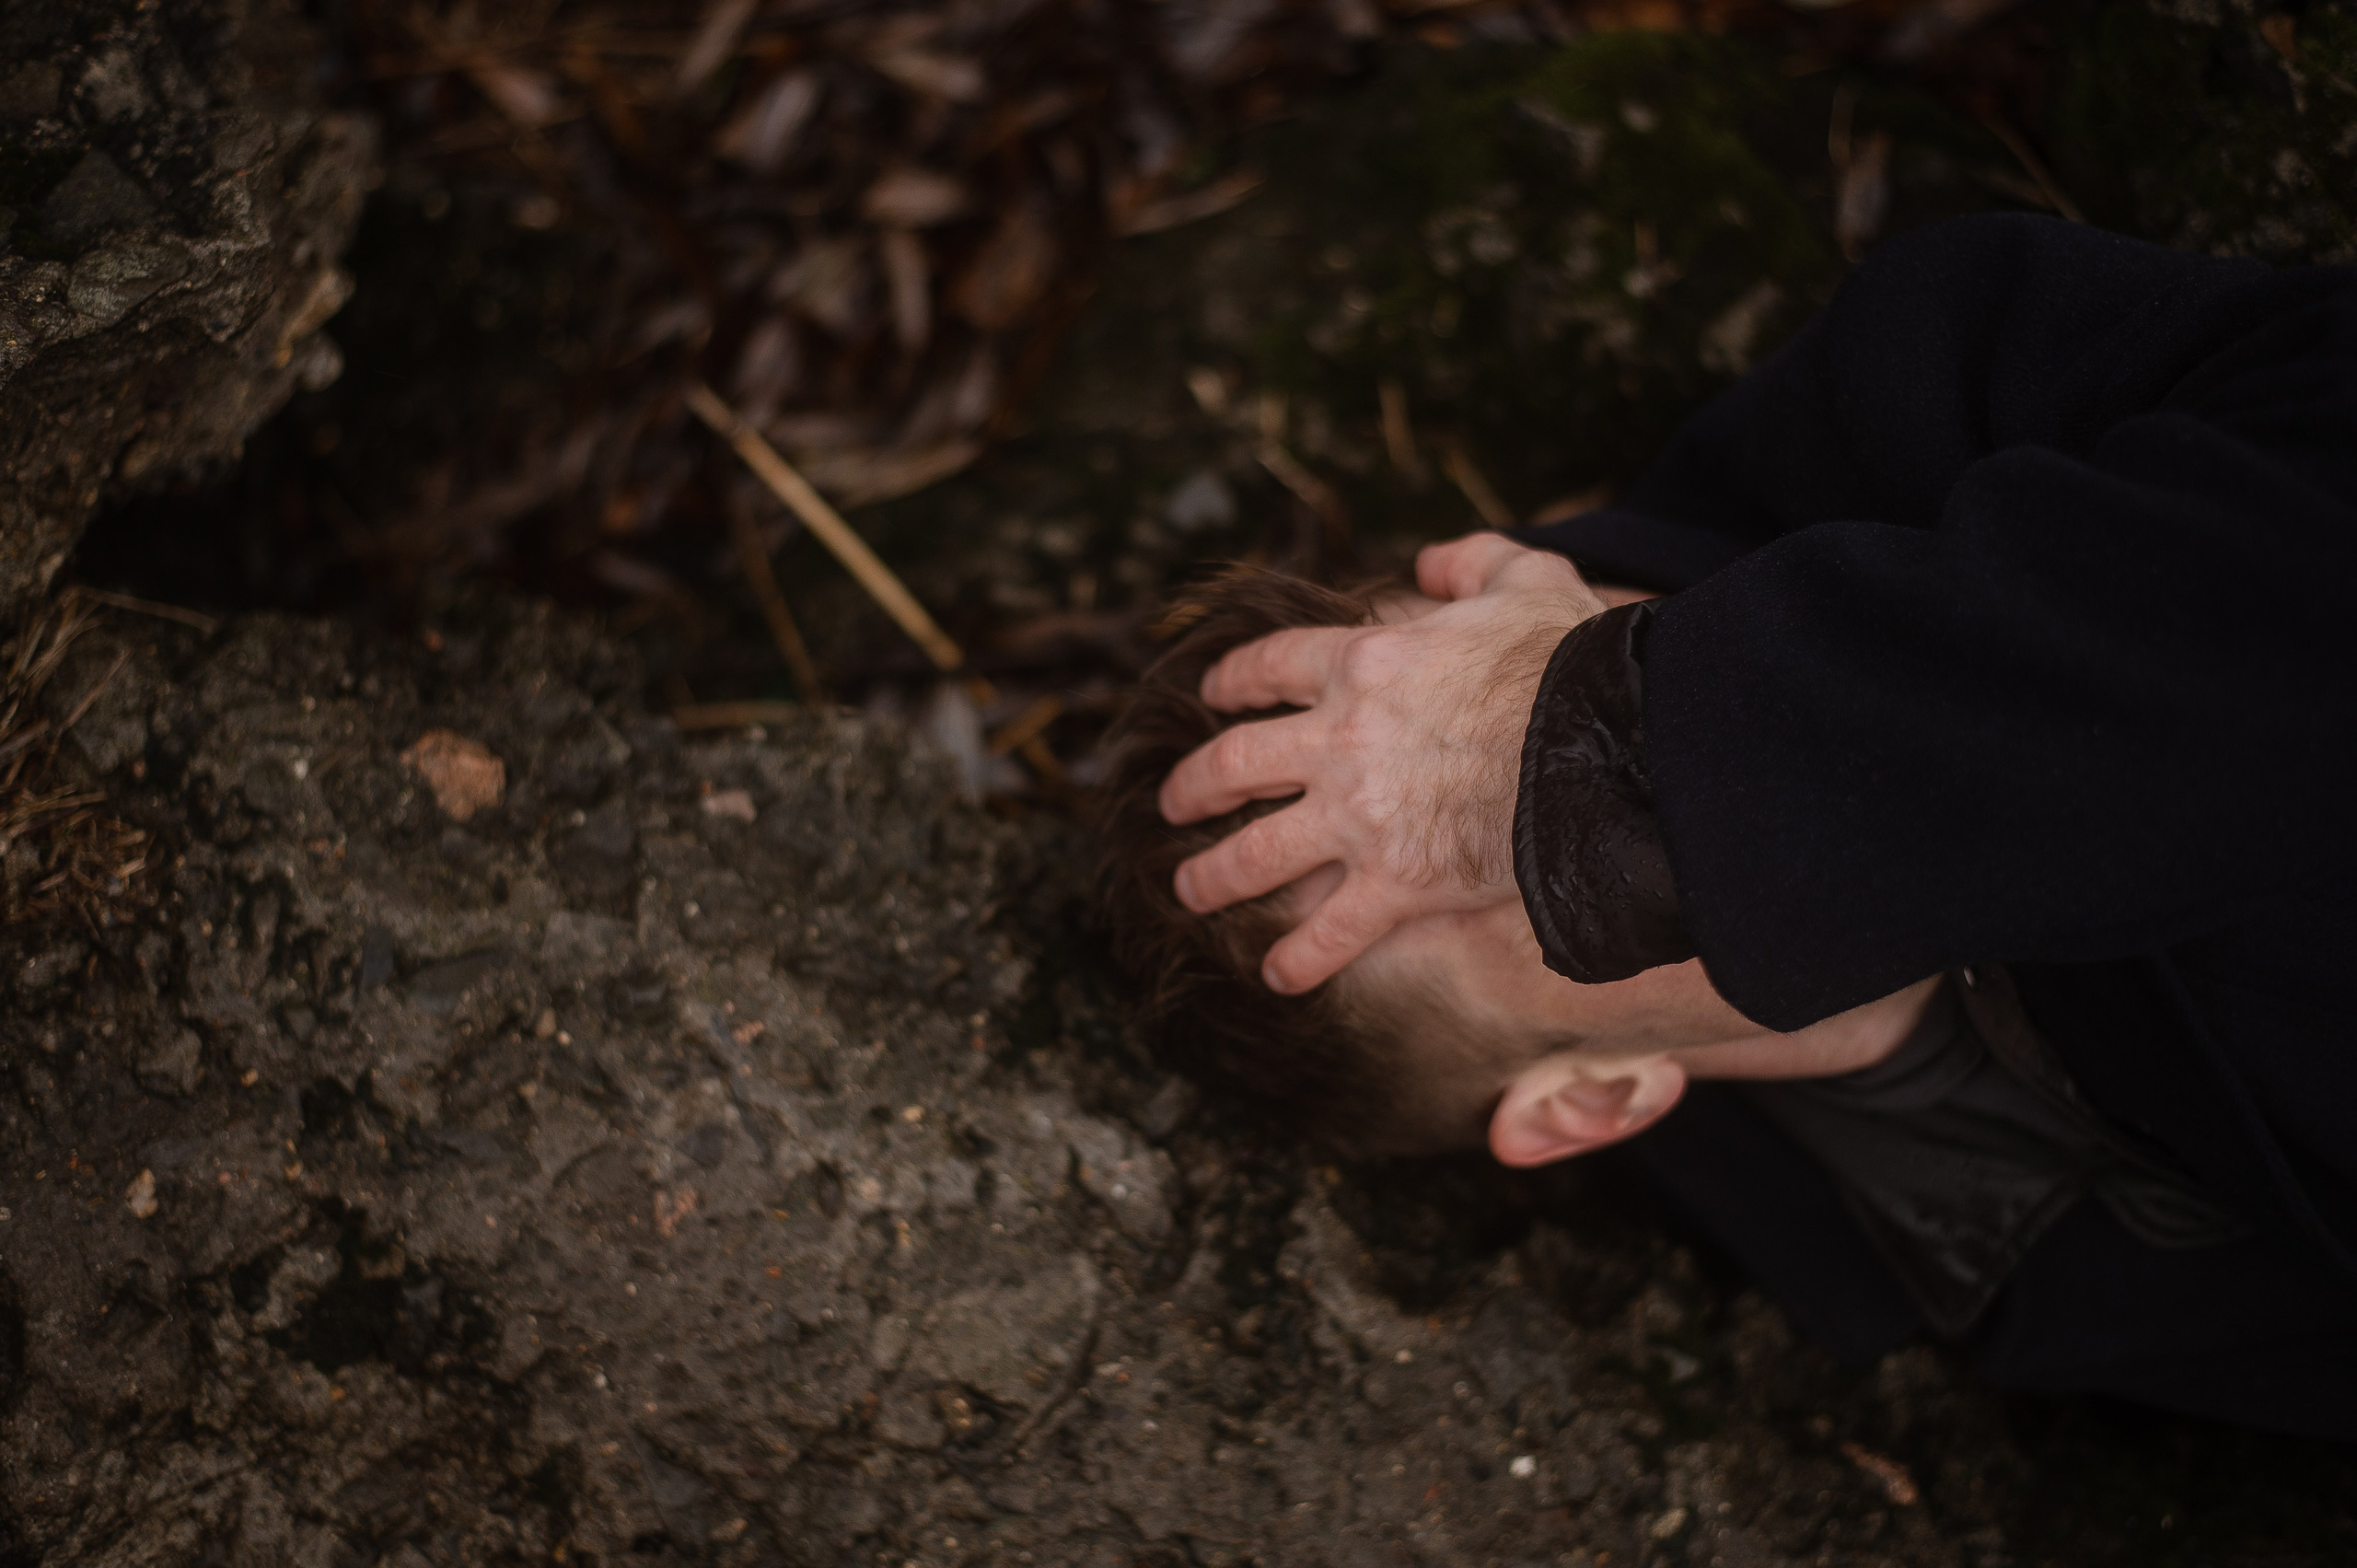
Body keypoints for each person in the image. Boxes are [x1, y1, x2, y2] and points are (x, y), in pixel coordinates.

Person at [1104, 213, 2357, 1440]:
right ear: (1590, 1104)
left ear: (1487, 578)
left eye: (1430, 716)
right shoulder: (2019, 1285)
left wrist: (1611, 742)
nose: (1512, 776)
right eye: (1508, 860)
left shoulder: (1934, 383)